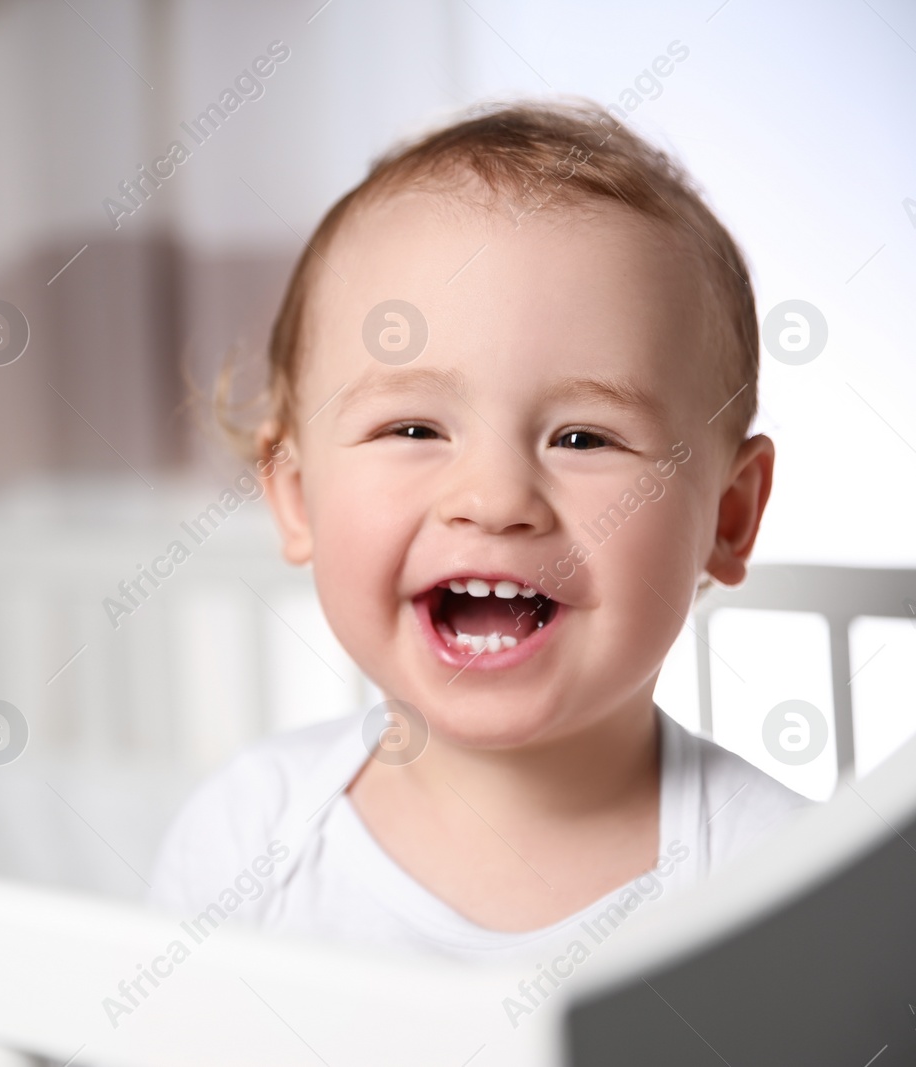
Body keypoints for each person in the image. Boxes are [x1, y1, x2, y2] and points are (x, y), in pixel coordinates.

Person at [147, 101, 810, 971]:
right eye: (414, 429)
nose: (495, 500)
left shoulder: (787, 881)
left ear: (728, 516)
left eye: (584, 438)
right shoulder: (248, 839)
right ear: (298, 497)